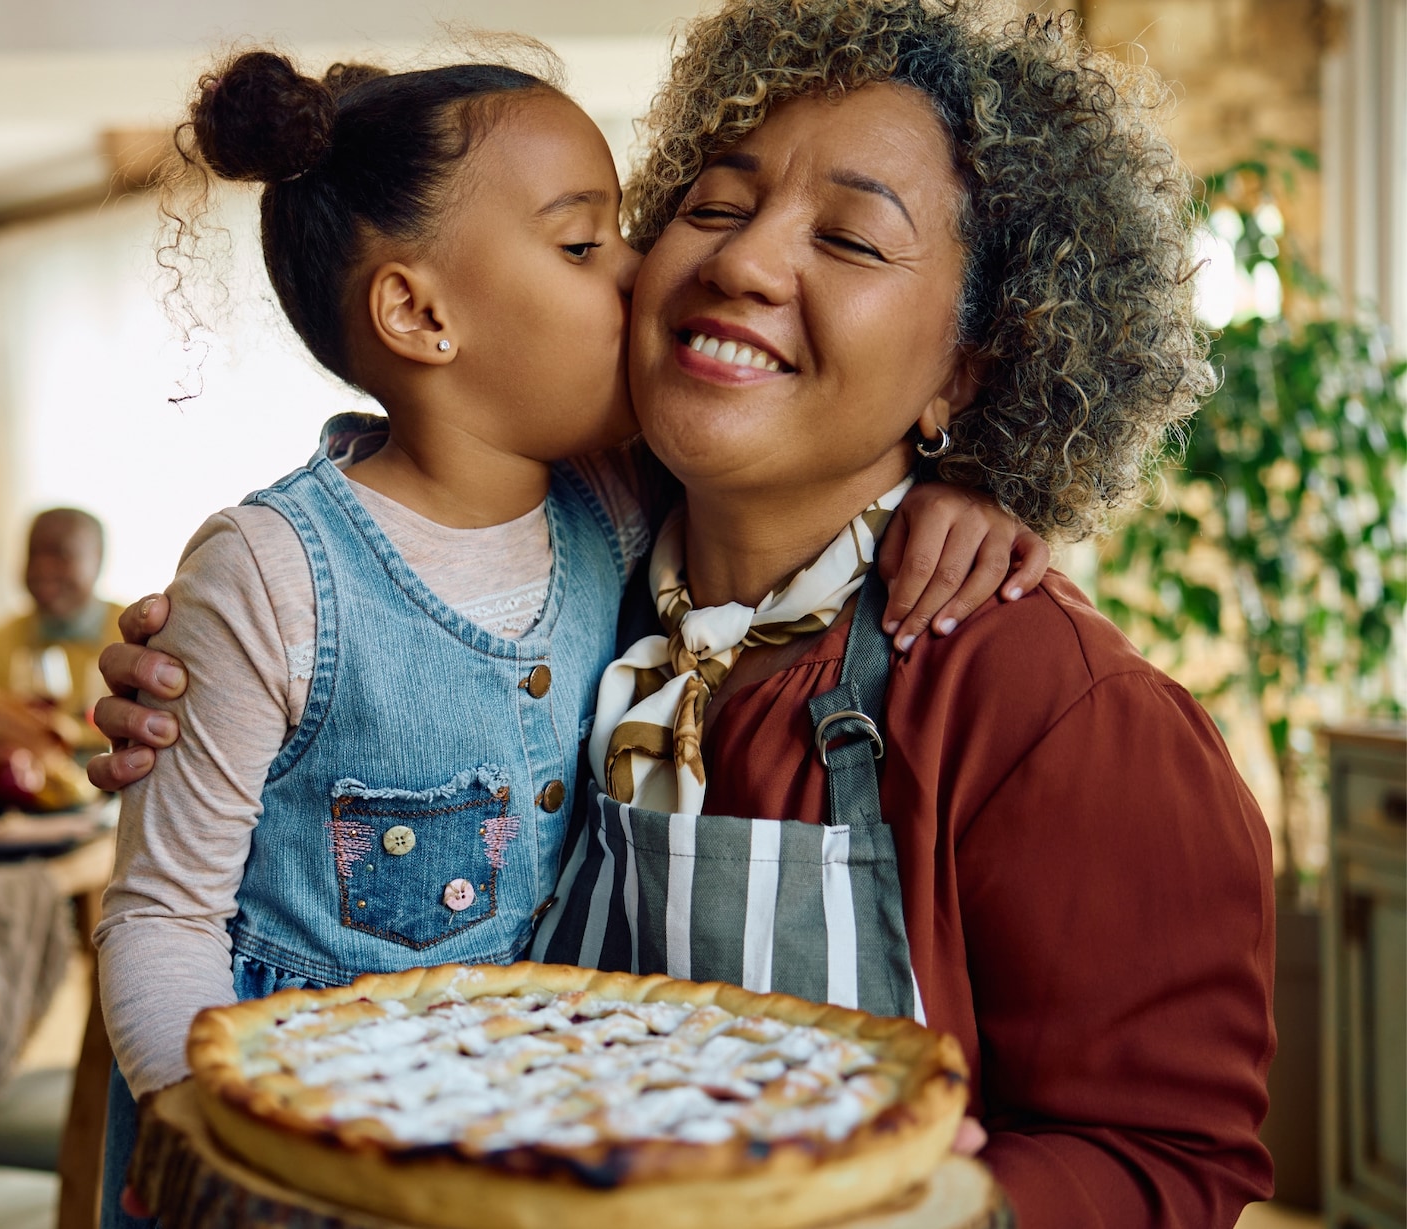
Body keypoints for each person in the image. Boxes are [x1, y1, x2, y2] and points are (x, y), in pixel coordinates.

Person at [90, 4, 1277, 1225]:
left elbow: (1171, 1155)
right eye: (710, 206)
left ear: (963, 373)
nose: (743, 262)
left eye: (854, 239)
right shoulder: (582, 566)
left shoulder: (1057, 706)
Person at [0, 506, 124, 748]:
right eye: (34, 554)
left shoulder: (134, 635)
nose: (44, 569)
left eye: (62, 555)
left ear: (98, 559)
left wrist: (73, 733)